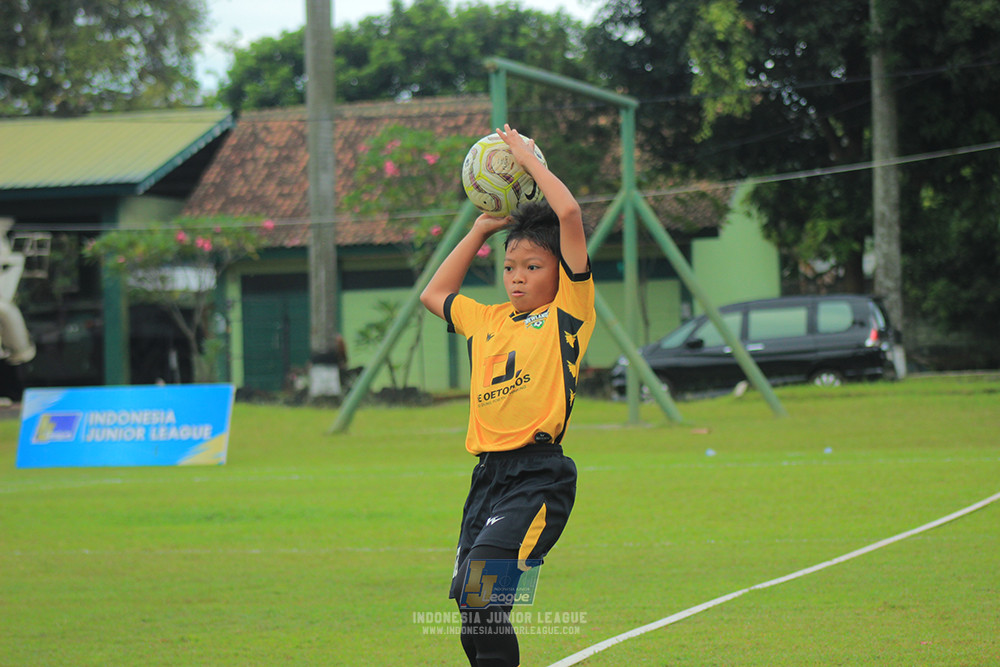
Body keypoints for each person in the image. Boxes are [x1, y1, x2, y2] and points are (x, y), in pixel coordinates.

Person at [420, 124, 596, 667]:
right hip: (487, 479)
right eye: (509, 267)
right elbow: (434, 293)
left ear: (559, 272)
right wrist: (479, 230)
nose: (517, 278)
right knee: (471, 609)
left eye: (532, 267)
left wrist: (526, 159)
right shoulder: (487, 320)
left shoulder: (568, 311)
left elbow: (569, 215)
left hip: (538, 478)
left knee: (483, 595)